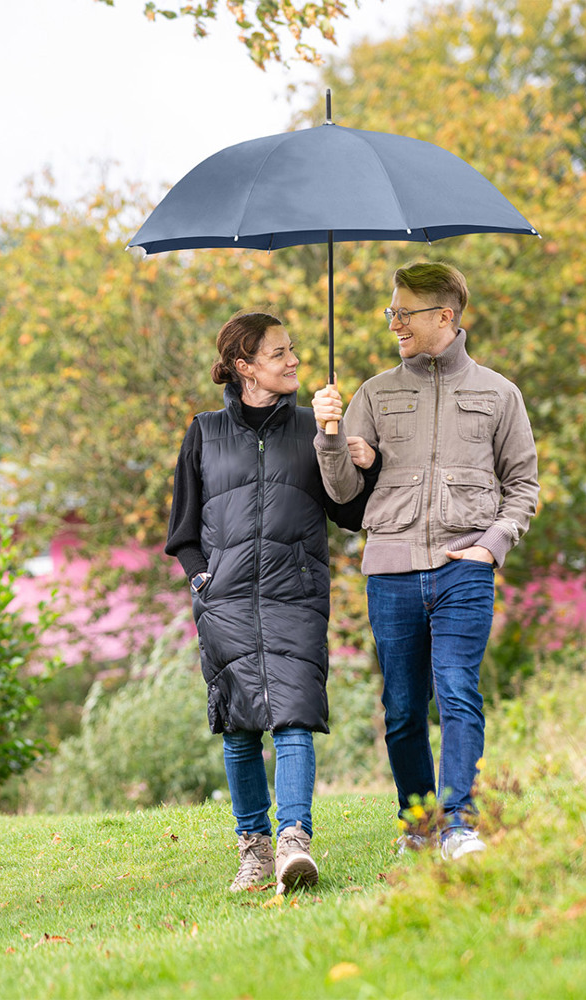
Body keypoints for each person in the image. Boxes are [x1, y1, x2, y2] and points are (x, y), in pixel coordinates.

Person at [311, 261, 539, 861]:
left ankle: (460, 824)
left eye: (403, 312)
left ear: (445, 316)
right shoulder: (373, 393)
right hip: (391, 568)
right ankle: (420, 824)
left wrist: (492, 545)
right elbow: (341, 492)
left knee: (458, 690)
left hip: (465, 565)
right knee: (403, 709)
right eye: (391, 312)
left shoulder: (499, 394)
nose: (394, 323)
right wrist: (331, 437)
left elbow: (523, 486)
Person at [166, 311, 379, 893]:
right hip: (225, 600)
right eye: (279, 352)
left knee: (294, 716)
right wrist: (202, 582)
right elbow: (183, 529)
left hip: (296, 595)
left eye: (293, 349)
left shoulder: (314, 426)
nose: (294, 360)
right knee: (239, 728)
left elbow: (351, 512)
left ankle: (293, 843)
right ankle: (254, 851)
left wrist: (354, 453)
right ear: (244, 366)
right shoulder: (204, 432)